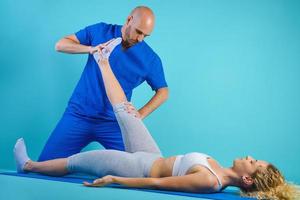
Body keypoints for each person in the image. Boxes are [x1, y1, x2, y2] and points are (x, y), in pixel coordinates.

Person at [14, 40, 297, 200]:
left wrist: (115, 179)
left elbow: (159, 185)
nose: (250, 156)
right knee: (126, 109)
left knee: (80, 160)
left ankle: (27, 165)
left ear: (247, 178)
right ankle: (103, 61)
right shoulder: (218, 170)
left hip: (138, 168)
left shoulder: (209, 182)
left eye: (254, 161)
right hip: (153, 156)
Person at [38, 6, 169, 161]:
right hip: (78, 115)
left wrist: (140, 114)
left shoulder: (150, 59)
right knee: (44, 166)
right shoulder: (100, 31)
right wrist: (90, 49)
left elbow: (163, 91)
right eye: (138, 32)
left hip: (115, 123)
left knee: (140, 168)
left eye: (145, 36)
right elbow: (60, 44)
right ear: (129, 20)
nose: (140, 39)